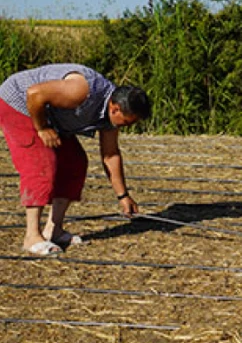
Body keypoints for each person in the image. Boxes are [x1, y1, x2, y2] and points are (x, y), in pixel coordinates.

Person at [0, 63, 151, 255]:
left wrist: (123, 196)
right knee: (41, 164)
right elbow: (34, 94)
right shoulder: (81, 90)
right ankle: (32, 237)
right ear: (115, 108)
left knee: (75, 162)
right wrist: (42, 128)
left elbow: (111, 154)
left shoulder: (110, 118)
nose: (129, 126)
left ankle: (53, 230)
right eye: (128, 122)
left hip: (48, 114)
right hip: (19, 103)